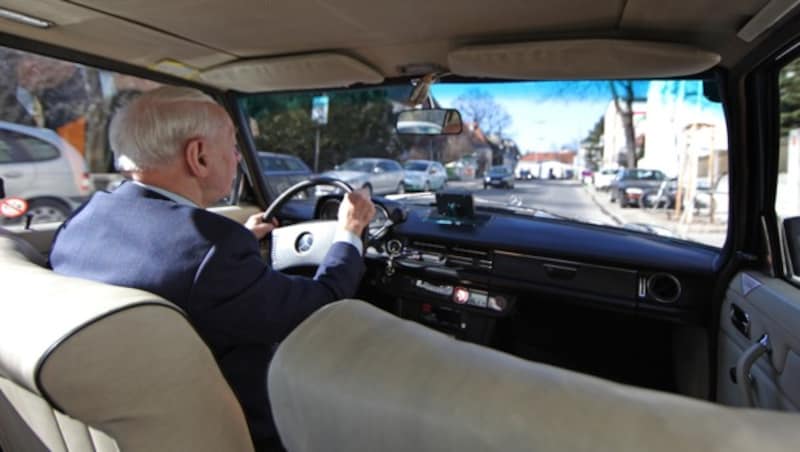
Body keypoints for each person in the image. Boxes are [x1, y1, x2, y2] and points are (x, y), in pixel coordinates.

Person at [49, 86, 375, 451]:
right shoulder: (214, 251)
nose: (237, 157)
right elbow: (321, 307)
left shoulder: (84, 220)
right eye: (233, 146)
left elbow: (171, 263)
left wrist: (241, 242)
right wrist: (349, 233)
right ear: (199, 156)